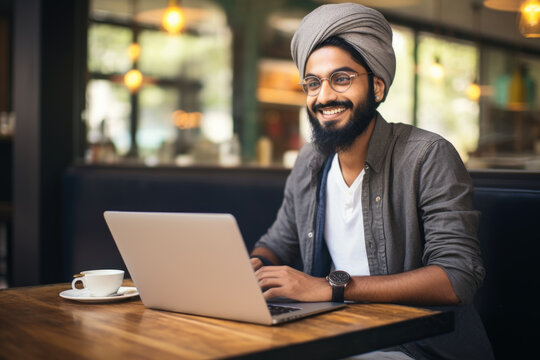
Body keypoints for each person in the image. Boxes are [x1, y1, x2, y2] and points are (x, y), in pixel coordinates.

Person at [250, 3, 493, 360]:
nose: (324, 96)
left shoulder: (428, 156)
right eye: (313, 83)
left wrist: (331, 288)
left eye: (342, 79)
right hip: (334, 335)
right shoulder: (311, 161)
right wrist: (253, 266)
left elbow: (457, 277)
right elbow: (278, 242)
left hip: (415, 346)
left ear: (377, 86)